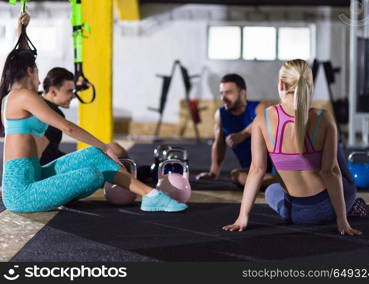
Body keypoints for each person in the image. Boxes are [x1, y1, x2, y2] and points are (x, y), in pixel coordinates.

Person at [0, 15, 187, 213]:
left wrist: (23, 29)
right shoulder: (23, 96)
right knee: (92, 175)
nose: (39, 81)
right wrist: (105, 146)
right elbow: (67, 127)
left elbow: (19, 56)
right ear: (30, 71)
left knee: (92, 154)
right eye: (37, 73)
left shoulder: (13, 97)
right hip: (22, 194)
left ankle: (151, 196)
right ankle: (65, 191)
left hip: (37, 176)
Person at [223, 59, 366, 235]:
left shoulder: (263, 119)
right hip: (329, 208)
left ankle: (344, 207)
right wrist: (342, 219)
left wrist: (242, 217)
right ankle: (348, 207)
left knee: (271, 190)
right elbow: (331, 172)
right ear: (309, 85)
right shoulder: (323, 118)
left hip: (295, 214)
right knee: (340, 157)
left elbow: (256, 170)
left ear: (281, 84)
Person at [196, 73, 278, 187]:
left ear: (242, 93)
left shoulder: (258, 107)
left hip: (275, 165)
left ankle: (279, 179)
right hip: (252, 169)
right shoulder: (221, 114)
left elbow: (262, 121)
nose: (223, 97)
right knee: (236, 176)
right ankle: (278, 182)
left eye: (228, 92)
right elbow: (219, 143)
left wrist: (243, 134)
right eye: (221, 93)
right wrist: (213, 172)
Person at [39, 67, 127, 165]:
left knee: (113, 149)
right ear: (53, 92)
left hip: (55, 159)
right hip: (52, 166)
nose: (73, 96)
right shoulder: (53, 113)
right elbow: (68, 129)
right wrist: (104, 148)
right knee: (115, 150)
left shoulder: (36, 101)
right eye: (69, 91)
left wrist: (79, 86)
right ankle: (132, 176)